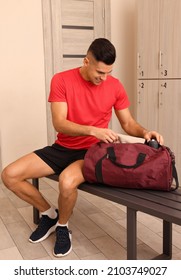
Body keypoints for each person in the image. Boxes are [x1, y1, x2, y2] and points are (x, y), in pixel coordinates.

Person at [1, 38, 164, 257]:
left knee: (67, 182)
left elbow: (128, 123)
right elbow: (59, 122)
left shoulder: (114, 86)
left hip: (94, 152)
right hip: (63, 147)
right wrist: (92, 130)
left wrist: (145, 132)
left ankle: (62, 227)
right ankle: (49, 214)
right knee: (9, 175)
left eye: (108, 72)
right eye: (99, 72)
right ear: (86, 61)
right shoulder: (61, 80)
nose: (104, 78)